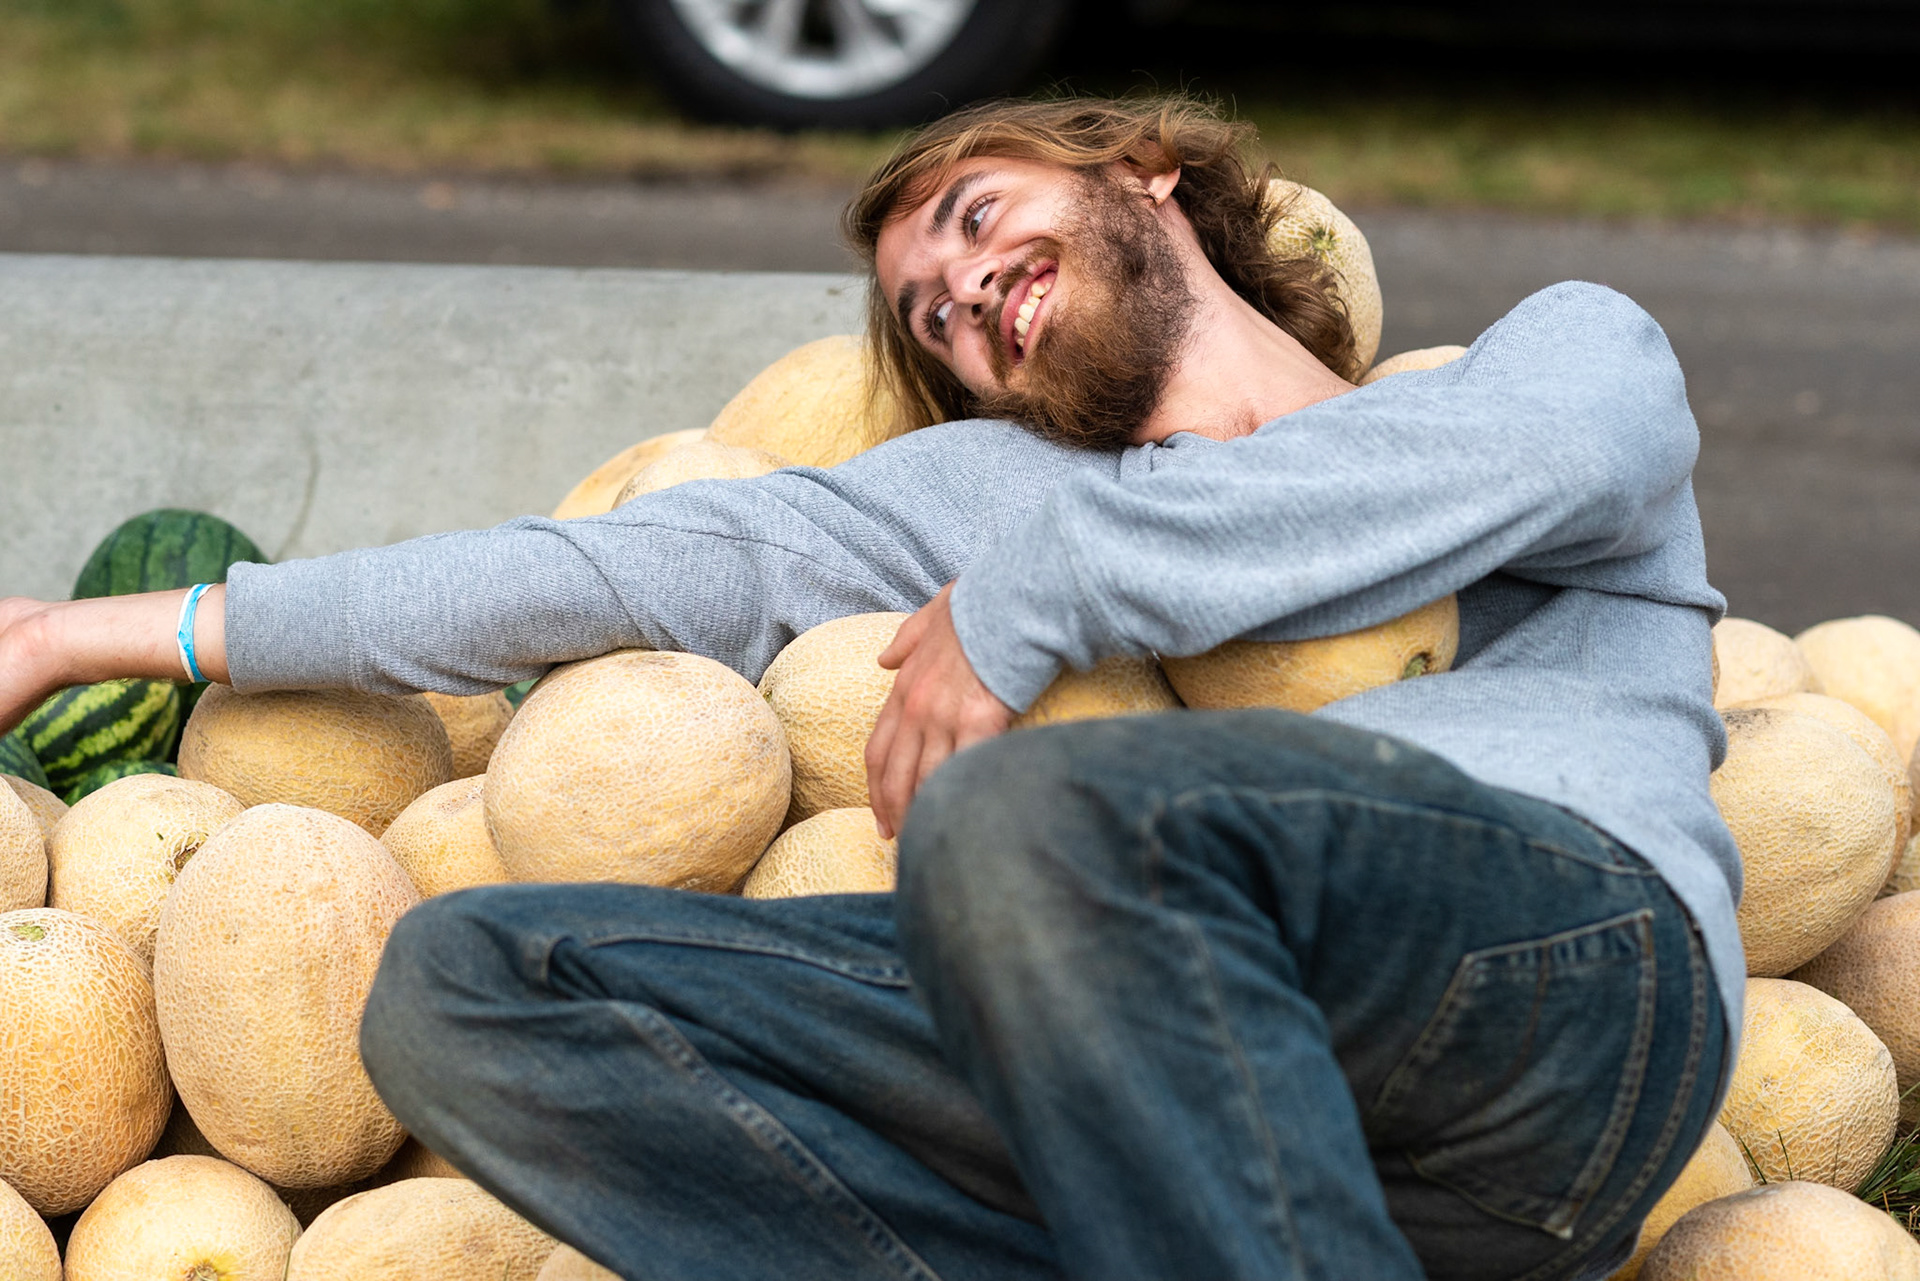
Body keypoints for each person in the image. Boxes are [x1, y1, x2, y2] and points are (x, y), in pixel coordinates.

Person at [0, 95, 1737, 1281]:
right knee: (466, 986)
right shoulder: (995, 498)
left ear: (1139, 174)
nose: (967, 292)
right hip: (1234, 1129)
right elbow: (598, 569)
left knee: (1029, 815)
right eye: (935, 320)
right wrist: (94, 636)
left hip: (1566, 978)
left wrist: (1037, 598)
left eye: (980, 221)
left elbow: (1584, 443)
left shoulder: (1548, 357)